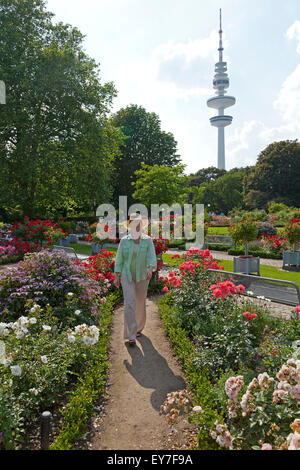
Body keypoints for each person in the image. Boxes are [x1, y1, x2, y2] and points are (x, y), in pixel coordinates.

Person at [113, 213, 157, 346]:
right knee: (129, 303)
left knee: (140, 302)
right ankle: (131, 335)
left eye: (138, 223)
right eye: (134, 223)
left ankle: (139, 328)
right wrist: (116, 275)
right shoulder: (124, 241)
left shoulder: (147, 240)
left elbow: (152, 257)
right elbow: (119, 258)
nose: (136, 226)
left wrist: (150, 268)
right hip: (127, 275)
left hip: (142, 276)